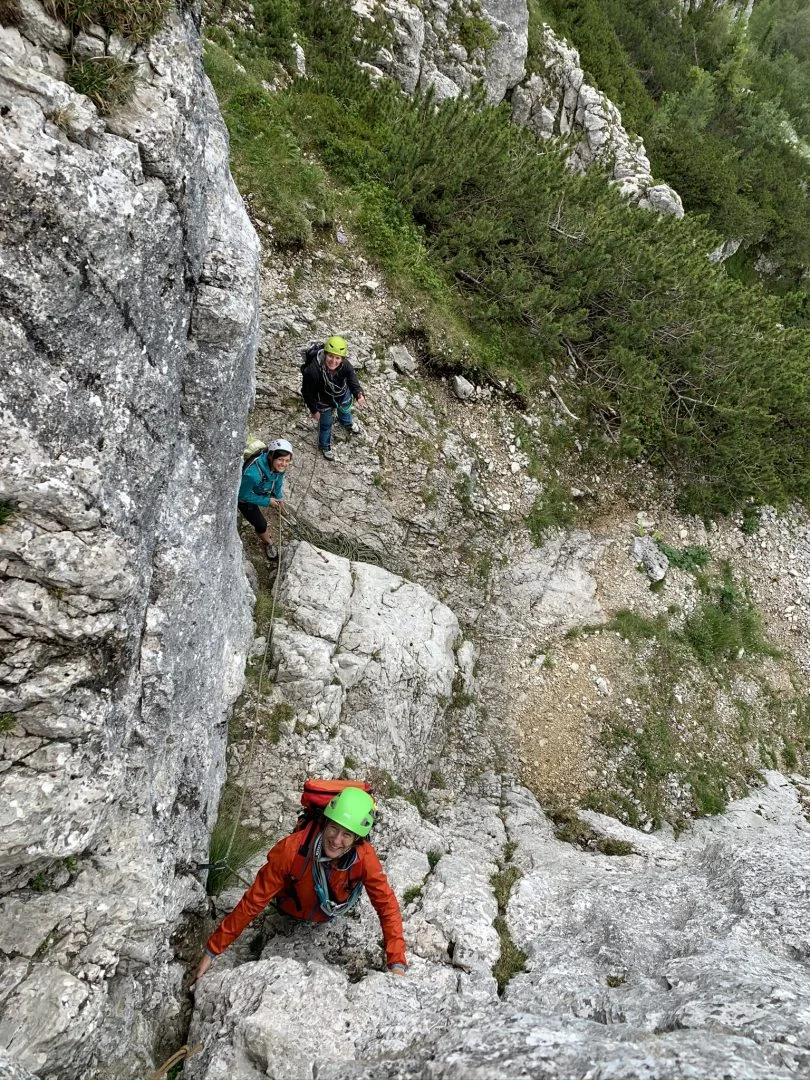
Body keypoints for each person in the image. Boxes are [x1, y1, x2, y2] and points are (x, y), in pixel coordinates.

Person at [193, 787, 407, 983]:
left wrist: (396, 963)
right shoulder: (292, 850)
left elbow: (386, 905)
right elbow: (253, 901)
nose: (336, 839)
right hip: (290, 912)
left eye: (347, 834)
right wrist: (212, 950)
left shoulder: (364, 859)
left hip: (328, 914)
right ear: (325, 823)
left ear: (357, 839)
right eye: (334, 828)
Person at [301, 335, 367, 461]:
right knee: (325, 424)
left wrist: (358, 393)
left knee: (345, 410)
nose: (333, 361)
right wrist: (314, 410)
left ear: (342, 359)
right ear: (325, 354)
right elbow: (306, 392)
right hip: (323, 400)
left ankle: (347, 423)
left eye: (337, 358)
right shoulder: (313, 371)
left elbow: (352, 380)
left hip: (341, 394)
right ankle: (325, 446)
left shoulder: (345, 365)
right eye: (330, 356)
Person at [237, 438, 293, 559]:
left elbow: (279, 479)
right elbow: (242, 495)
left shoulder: (279, 467)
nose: (284, 464)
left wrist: (278, 496)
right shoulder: (252, 474)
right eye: (281, 460)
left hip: (260, 488)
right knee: (261, 524)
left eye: (287, 460)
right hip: (245, 498)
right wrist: (267, 501)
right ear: (271, 457)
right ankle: (269, 543)